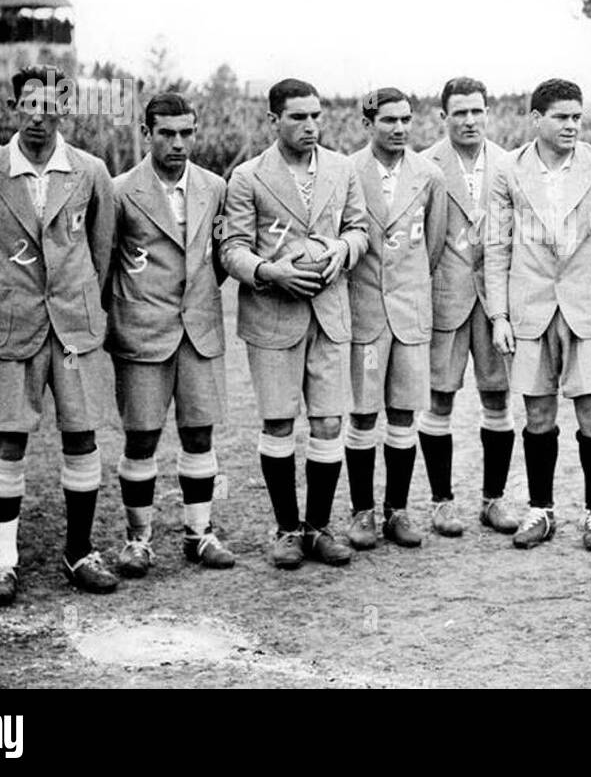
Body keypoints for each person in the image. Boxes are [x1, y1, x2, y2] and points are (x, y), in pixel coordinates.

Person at [0, 66, 118, 606]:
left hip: (74, 329)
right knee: (8, 440)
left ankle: (78, 552)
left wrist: (77, 299)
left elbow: (101, 252)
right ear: (12, 107)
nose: (38, 116)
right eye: (29, 105)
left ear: (64, 110)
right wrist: (6, 301)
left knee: (81, 435)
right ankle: (4, 564)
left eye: (50, 106)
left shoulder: (91, 171)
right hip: (12, 326)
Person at [221, 78, 367, 569]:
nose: (310, 125)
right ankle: (285, 528)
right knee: (280, 420)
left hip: (329, 312)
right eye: (298, 117)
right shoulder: (247, 176)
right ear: (273, 120)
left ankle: (319, 527)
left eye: (316, 116)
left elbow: (358, 228)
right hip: (274, 315)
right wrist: (269, 271)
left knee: (328, 421)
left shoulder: (342, 168)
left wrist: (343, 251)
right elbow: (232, 248)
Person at [484, 78, 591, 552]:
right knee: (538, 413)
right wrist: (500, 315)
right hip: (531, 309)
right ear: (536, 120)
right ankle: (541, 510)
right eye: (561, 117)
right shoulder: (508, 170)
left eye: (576, 117)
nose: (571, 125)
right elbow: (496, 247)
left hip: (587, 310)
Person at [106, 92, 234, 577]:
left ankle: (198, 533)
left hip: (198, 327)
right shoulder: (120, 191)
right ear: (146, 134)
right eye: (167, 133)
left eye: (186, 133)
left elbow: (220, 258)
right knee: (141, 437)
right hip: (142, 329)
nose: (178, 143)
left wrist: (196, 297)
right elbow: (105, 262)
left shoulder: (214, 186)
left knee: (199, 432)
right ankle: (137, 539)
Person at [345, 88, 447, 551]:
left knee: (404, 413)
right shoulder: (347, 172)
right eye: (388, 120)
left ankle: (398, 510)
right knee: (364, 413)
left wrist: (409, 289)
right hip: (364, 312)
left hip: (409, 311)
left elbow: (435, 244)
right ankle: (362, 512)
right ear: (368, 125)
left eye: (406, 119)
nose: (400, 128)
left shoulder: (429, 174)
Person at [418, 77, 517, 537]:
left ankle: (493, 500)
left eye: (477, 111)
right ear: (444, 117)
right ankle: (441, 503)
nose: (470, 120)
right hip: (446, 298)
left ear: (487, 112)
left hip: (498, 298)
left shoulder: (511, 163)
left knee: (497, 396)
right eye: (459, 112)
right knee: (439, 397)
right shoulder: (424, 166)